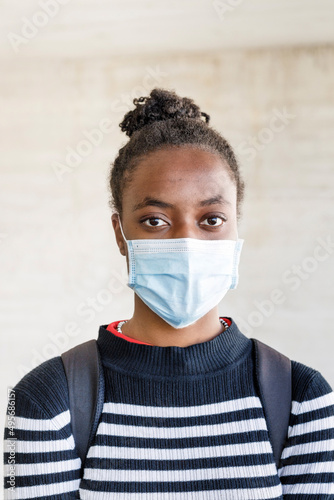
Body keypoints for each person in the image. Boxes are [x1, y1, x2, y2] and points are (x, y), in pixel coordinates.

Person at [4, 88, 334, 499]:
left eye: (211, 218)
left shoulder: (302, 399)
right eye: (155, 220)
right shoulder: (46, 401)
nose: (186, 241)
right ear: (120, 234)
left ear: (235, 228)